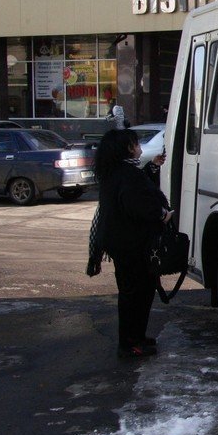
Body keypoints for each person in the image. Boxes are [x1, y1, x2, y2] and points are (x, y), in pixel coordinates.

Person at [94, 128, 173, 359]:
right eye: (136, 144)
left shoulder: (117, 171)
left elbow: (135, 192)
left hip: (123, 244)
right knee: (136, 295)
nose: (139, 147)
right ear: (127, 148)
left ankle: (136, 337)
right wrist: (162, 215)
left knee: (135, 293)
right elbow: (138, 203)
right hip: (131, 245)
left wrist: (151, 168)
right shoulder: (127, 175)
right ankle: (130, 344)